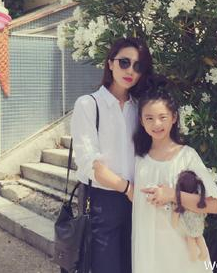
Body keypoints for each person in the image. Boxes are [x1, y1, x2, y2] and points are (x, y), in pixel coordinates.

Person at [71, 37, 153, 273]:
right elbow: (90, 164)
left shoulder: (139, 108)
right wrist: (127, 188)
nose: (130, 71)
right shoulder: (88, 104)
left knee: (134, 265)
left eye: (138, 66)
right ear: (110, 63)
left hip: (137, 201)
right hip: (102, 201)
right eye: (124, 62)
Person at [132, 79, 217, 273]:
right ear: (141, 120)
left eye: (162, 117)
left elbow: (214, 205)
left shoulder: (187, 156)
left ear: (174, 118)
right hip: (149, 252)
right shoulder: (139, 159)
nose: (156, 124)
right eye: (149, 118)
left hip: (183, 253)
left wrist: (173, 195)